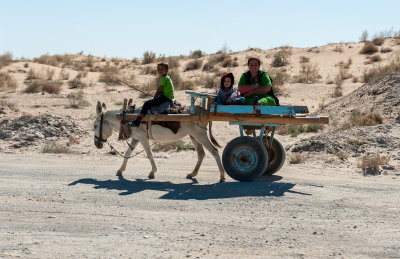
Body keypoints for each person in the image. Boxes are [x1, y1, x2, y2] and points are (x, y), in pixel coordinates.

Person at [129, 62, 174, 127]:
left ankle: (138, 120)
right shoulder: (167, 77)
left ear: (167, 70)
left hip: (165, 97)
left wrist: (155, 97)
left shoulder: (163, 78)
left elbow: (159, 90)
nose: (160, 70)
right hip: (167, 96)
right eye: (158, 69)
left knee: (147, 103)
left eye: (162, 69)